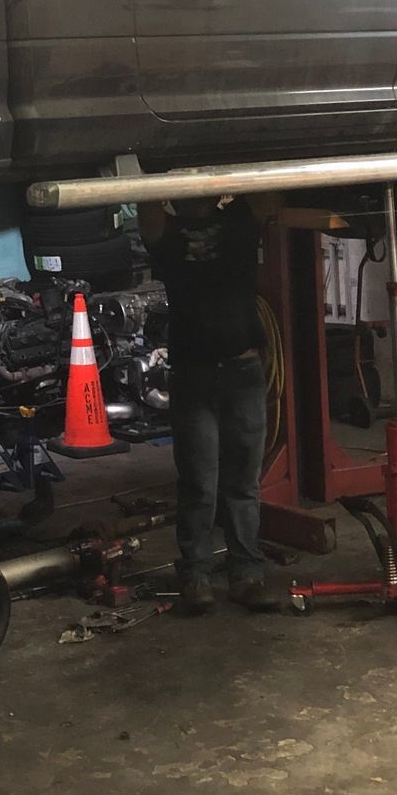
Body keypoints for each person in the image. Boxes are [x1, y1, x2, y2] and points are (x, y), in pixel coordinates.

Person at [139, 195, 279, 616]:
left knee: (243, 481)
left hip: (243, 370)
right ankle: (196, 574)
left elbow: (266, 185)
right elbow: (141, 194)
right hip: (194, 374)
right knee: (200, 481)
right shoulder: (165, 232)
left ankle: (247, 573)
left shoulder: (238, 219)